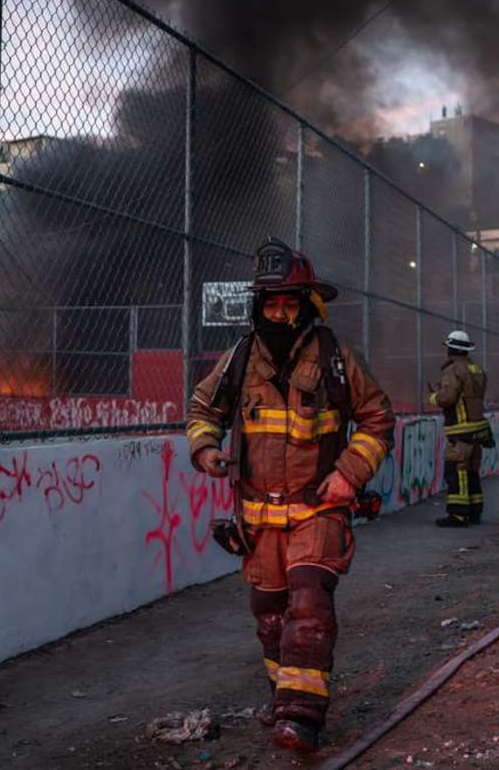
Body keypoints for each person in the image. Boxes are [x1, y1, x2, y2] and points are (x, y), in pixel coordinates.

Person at [187, 240, 395, 754]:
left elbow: (377, 420)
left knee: (309, 604)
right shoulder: (239, 358)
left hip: (318, 511)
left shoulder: (335, 357)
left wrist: (349, 473)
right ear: (259, 306)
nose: (281, 312)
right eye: (272, 303)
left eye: (290, 303)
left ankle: (301, 718)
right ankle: (284, 693)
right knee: (271, 616)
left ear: (307, 305)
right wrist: (206, 450)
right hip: (258, 522)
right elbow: (201, 410)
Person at [428, 329, 493, 527]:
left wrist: (433, 397)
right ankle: (475, 511)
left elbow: (447, 398)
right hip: (478, 429)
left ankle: (458, 514)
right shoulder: (476, 369)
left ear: (451, 349)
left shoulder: (453, 370)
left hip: (461, 430)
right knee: (472, 471)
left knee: (456, 471)